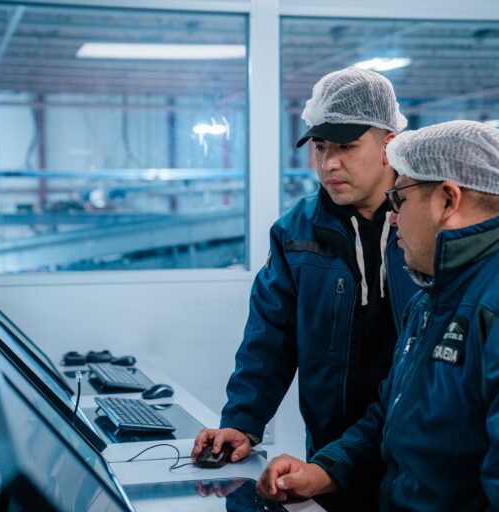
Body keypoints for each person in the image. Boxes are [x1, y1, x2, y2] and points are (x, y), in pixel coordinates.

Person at [256, 120, 499, 510]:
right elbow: (394, 416)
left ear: (448, 200)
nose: (392, 217)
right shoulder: (442, 291)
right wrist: (326, 471)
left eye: (400, 200)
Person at [191, 67, 420, 508]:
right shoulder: (295, 232)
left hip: (415, 453)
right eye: (320, 147)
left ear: (389, 145)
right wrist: (243, 421)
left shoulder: (426, 228)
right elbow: (270, 338)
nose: (329, 163)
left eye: (347, 146)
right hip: (329, 456)